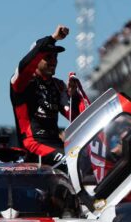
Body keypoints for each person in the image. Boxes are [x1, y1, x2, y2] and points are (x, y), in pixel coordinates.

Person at [10, 25, 85, 165]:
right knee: (71, 162)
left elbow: (75, 118)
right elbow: (24, 64)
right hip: (33, 144)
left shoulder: (58, 85)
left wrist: (73, 96)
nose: (53, 61)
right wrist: (52, 38)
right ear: (36, 60)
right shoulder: (21, 83)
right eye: (48, 57)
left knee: (87, 160)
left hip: (56, 144)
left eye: (55, 57)